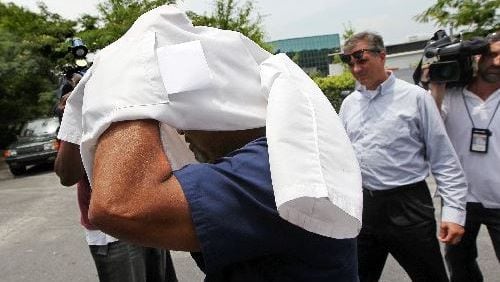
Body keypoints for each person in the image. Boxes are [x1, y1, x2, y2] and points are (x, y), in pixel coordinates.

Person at [59, 5, 363, 282]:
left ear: (224, 113)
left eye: (187, 119)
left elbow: (119, 207)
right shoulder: (279, 153)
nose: (184, 134)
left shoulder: (273, 170)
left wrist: (128, 71)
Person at [338, 31, 468, 281]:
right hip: (365, 208)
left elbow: (443, 159)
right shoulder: (349, 105)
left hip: (408, 205)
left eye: (361, 59)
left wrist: (453, 213)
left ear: (382, 56)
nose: (355, 68)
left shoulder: (416, 98)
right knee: (356, 277)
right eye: (350, 62)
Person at [55, 83, 178, 282]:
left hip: (150, 217)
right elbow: (67, 175)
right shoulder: (81, 110)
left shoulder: (134, 99)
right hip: (112, 232)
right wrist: (75, 114)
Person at [428, 31, 500, 282]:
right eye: (491, 55)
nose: (497, 62)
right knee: (460, 267)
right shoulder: (451, 96)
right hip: (460, 200)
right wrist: (436, 85)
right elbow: (430, 128)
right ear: (478, 57)